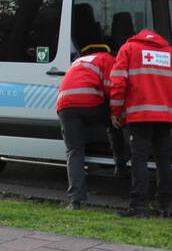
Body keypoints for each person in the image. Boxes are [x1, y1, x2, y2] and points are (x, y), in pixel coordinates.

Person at [109, 29, 172, 218]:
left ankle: (138, 206)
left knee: (140, 159)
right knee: (163, 158)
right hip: (166, 116)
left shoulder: (129, 49)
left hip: (140, 114)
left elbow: (118, 83)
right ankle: (164, 204)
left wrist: (116, 111)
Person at [55, 44, 128, 210]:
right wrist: (117, 112)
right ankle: (121, 166)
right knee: (115, 125)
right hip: (90, 103)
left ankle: (75, 201)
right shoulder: (108, 60)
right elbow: (112, 88)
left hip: (65, 106)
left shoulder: (78, 61)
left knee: (74, 151)